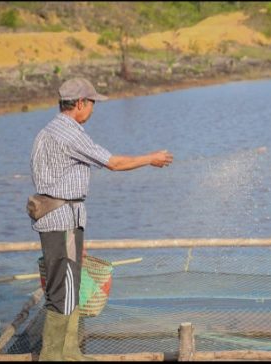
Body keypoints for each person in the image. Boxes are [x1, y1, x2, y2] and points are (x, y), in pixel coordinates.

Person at [30, 77, 173, 361]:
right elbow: (114, 163)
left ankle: (70, 353)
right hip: (62, 221)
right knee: (62, 290)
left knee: (68, 286)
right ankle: (53, 356)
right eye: (92, 104)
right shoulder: (69, 133)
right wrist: (150, 158)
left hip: (61, 219)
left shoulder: (48, 131)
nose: (93, 110)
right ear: (80, 104)